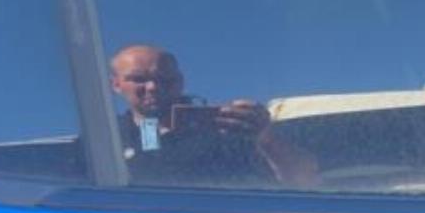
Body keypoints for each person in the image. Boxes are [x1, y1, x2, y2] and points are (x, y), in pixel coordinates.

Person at [109, 44, 317, 188]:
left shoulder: (226, 128)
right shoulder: (106, 139)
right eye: (138, 79)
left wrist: (266, 138)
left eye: (165, 79)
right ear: (116, 85)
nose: (153, 87)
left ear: (180, 82)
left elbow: (304, 180)